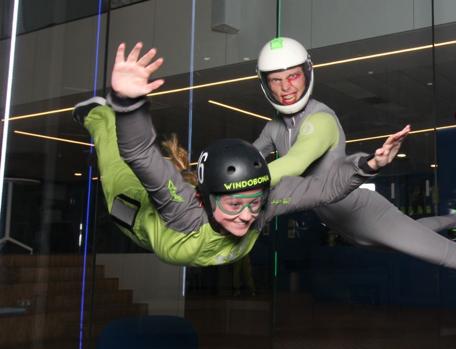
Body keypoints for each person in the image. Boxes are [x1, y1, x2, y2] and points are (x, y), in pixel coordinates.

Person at [252, 37, 456, 297]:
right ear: (265, 83)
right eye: (277, 80)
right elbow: (246, 159)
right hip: (346, 229)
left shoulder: (320, 119)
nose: (286, 88)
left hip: (364, 214)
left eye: (292, 76)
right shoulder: (274, 129)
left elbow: (293, 164)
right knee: (416, 232)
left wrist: (238, 183)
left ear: (306, 74)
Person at [73, 42, 409, 267]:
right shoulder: (182, 212)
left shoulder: (262, 206)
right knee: (117, 163)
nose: (247, 215)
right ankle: (98, 115)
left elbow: (323, 188)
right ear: (208, 199)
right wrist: (127, 103)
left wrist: (368, 165)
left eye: (253, 203)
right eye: (235, 205)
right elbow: (140, 154)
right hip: (140, 218)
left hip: (187, 216)